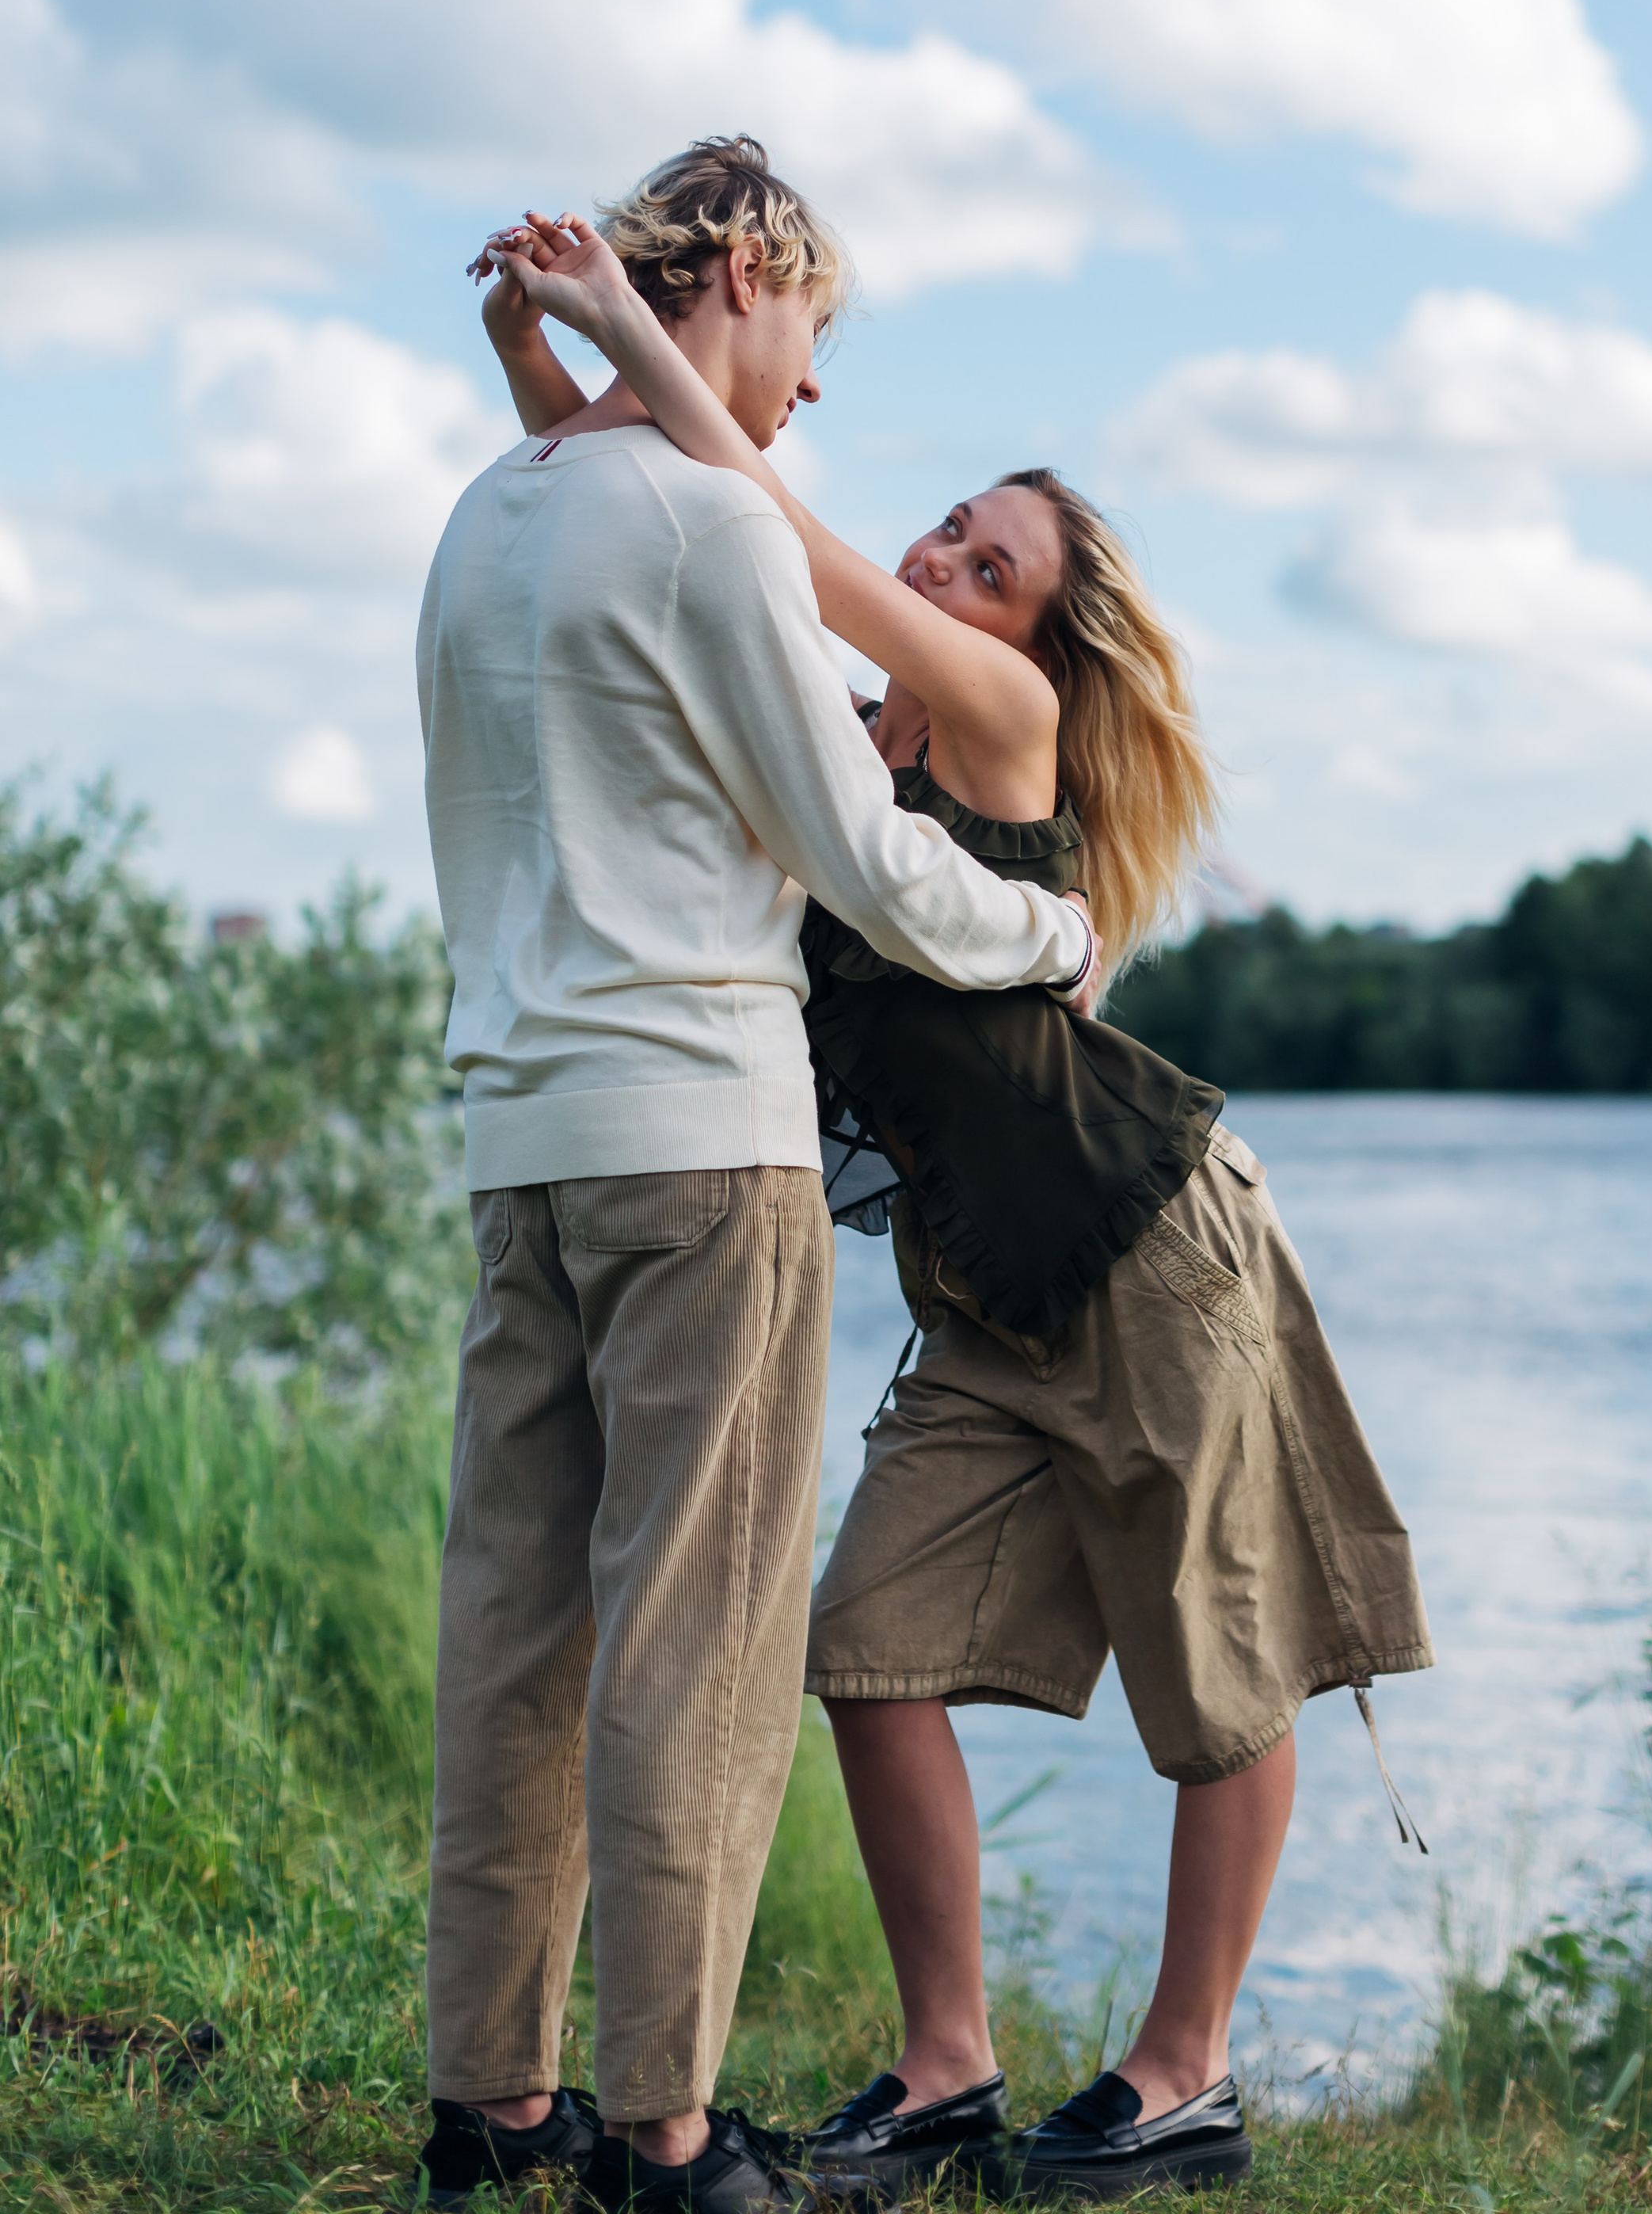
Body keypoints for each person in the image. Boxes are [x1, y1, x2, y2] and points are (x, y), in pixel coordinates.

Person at [479, 204, 1435, 2201]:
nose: (932, 563)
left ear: (1032, 642)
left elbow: (757, 517)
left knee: (1219, 1668)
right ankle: (946, 2068)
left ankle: (1181, 2073)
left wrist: (617, 319)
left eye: (986, 569)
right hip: (983, 1290)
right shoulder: (831, 752)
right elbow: (640, 510)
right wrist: (528, 361)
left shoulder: (1007, 731)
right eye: (943, 532)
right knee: (866, 1650)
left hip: (1153, 1250)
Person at [414, 139, 1098, 2214]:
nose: (811, 382)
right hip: (704, 1149)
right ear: (740, 270)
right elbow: (865, 862)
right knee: (694, 1651)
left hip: (521, 1147)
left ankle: (490, 2107)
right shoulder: (710, 523)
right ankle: (665, 2137)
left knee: (513, 1626)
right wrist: (1051, 935)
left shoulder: (483, 516)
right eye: (813, 326)